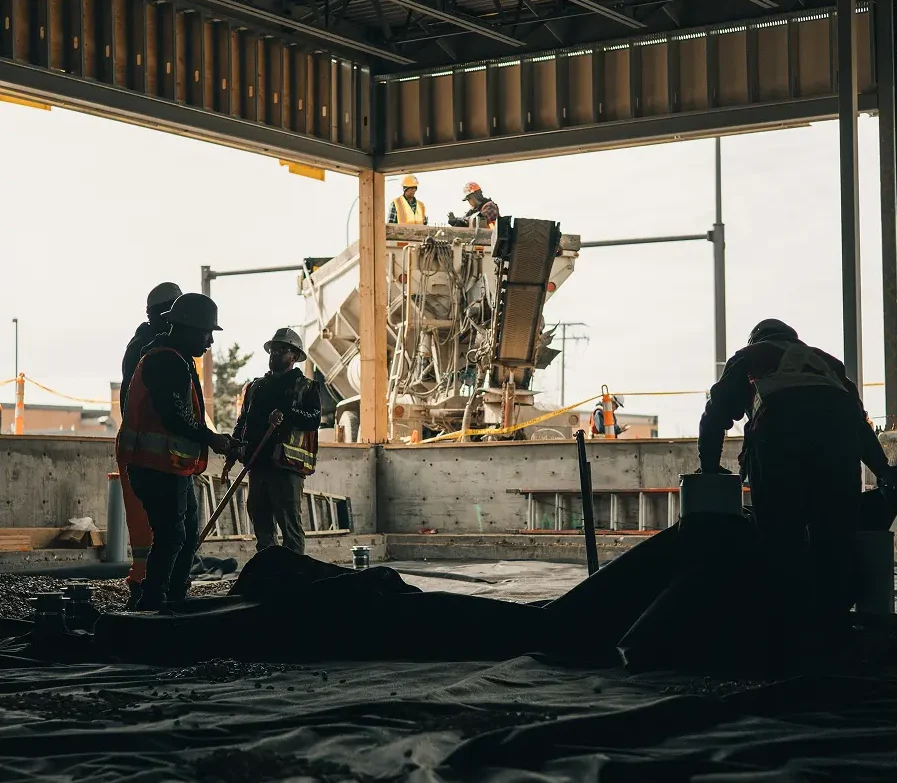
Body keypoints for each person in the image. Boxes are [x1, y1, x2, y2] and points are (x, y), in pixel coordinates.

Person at [697, 318, 896, 623]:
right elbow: (858, 425)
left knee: (781, 536)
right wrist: (883, 472)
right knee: (835, 536)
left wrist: (709, 468)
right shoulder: (828, 362)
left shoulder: (752, 354)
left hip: (779, 433)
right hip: (839, 438)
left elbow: (715, 411)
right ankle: (833, 626)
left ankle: (787, 626)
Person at [118, 293, 234, 611]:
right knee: (171, 536)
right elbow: (173, 415)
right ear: (185, 328)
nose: (210, 340)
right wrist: (211, 438)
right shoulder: (165, 360)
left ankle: (174, 597)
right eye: (205, 332)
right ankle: (153, 601)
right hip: (154, 465)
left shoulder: (176, 358)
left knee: (184, 535)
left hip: (170, 466)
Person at [223, 327, 321, 555]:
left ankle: (294, 577)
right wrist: (234, 451)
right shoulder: (256, 387)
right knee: (261, 522)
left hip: (286, 468)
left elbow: (313, 421)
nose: (275, 355)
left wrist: (287, 416)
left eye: (282, 350)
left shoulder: (306, 387)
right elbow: (243, 422)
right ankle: (267, 574)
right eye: (273, 350)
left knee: (289, 527)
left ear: (294, 356)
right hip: (257, 465)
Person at [117, 281, 182, 609]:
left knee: (162, 529)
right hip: (148, 453)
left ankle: (153, 588)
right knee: (156, 530)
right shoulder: (151, 350)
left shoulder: (149, 345)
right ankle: (147, 591)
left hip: (153, 452)